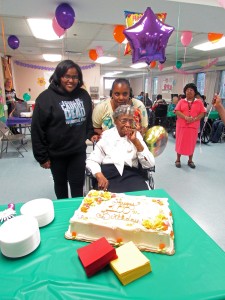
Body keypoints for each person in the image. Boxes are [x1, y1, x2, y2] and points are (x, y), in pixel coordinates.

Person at [31, 60, 98, 199]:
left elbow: (87, 121)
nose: (71, 80)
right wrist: (42, 157)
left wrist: (91, 134)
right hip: (56, 154)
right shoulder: (45, 98)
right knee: (60, 185)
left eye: (75, 77)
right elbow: (37, 130)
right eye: (67, 76)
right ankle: (64, 212)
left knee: (77, 185)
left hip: (77, 152)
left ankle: (77, 214)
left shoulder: (84, 96)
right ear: (59, 76)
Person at [86, 105, 155, 192]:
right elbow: (92, 160)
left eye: (130, 121)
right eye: (124, 121)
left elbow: (150, 164)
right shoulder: (106, 136)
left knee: (141, 198)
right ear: (115, 121)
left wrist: (135, 141)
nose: (128, 125)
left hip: (131, 174)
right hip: (108, 175)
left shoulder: (136, 136)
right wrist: (99, 175)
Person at [174, 83, 206, 169]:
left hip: (193, 127)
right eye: (187, 90)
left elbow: (202, 113)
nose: (189, 91)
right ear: (185, 92)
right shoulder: (181, 101)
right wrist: (185, 117)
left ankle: (190, 160)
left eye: (191, 90)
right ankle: (178, 160)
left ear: (195, 92)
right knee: (180, 142)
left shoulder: (199, 102)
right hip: (181, 126)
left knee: (191, 143)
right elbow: (176, 111)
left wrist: (194, 119)